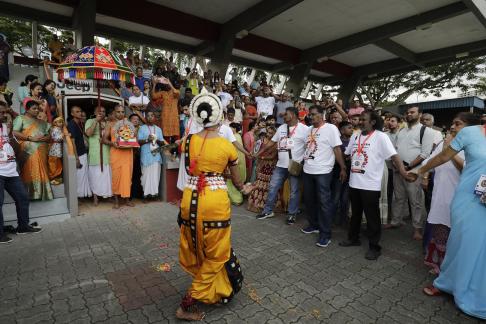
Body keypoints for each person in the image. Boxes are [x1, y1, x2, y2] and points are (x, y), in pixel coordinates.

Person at [176, 88, 244, 321]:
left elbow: (190, 167)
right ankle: (189, 302)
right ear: (220, 116)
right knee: (217, 253)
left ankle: (213, 289)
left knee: (197, 246)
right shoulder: (227, 146)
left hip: (189, 198)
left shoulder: (187, 141)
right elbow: (237, 180)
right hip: (213, 202)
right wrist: (245, 188)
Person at [410, 117, 486, 320]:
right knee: (461, 242)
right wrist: (422, 170)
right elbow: (444, 156)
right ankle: (446, 284)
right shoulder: (470, 133)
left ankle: (478, 290)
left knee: (482, 247)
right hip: (468, 198)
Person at [339, 111, 409, 260]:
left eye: (364, 119)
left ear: (372, 122)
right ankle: (353, 238)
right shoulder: (355, 135)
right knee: (356, 213)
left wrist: (402, 172)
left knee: (372, 217)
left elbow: (394, 155)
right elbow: (347, 153)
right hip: (354, 182)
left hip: (370, 184)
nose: (360, 122)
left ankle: (374, 247)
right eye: (360, 119)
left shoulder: (381, 137)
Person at [423, 113, 471, 274]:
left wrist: (450, 151)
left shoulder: (474, 146)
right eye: (452, 123)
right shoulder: (445, 142)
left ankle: (452, 271)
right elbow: (429, 161)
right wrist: (419, 173)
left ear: (469, 128)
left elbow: (467, 169)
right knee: (440, 233)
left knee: (456, 238)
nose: (452, 127)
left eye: (457, 124)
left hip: (460, 201)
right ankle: (439, 266)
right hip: (439, 197)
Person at [385, 106, 434, 240]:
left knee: (415, 201)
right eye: (407, 112)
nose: (409, 114)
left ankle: (417, 228)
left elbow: (424, 154)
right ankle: (396, 221)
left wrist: (408, 167)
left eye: (412, 112)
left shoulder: (426, 131)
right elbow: (396, 150)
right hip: (398, 170)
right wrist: (397, 165)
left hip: (413, 171)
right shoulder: (402, 131)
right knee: (398, 197)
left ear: (420, 114)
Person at [300, 105, 346, 247]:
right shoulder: (309, 129)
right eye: (310, 114)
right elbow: (306, 147)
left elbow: (337, 149)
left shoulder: (331, 128)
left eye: (314, 114)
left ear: (322, 114)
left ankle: (325, 234)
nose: (311, 116)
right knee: (309, 200)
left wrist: (343, 167)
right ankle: (314, 225)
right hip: (307, 170)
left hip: (323, 172)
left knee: (324, 203)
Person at [255, 106, 308, 224]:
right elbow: (272, 143)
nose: (283, 117)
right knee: (273, 187)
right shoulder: (281, 128)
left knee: (294, 191)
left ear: (293, 115)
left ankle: (292, 214)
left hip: (294, 166)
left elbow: (308, 147)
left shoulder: (304, 129)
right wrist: (258, 153)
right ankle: (268, 210)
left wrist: (302, 162)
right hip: (281, 165)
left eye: (286, 114)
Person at [0, 103, 42, 244]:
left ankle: (23, 226)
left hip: (11, 170)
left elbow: (15, 148)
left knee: (23, 197)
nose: (4, 115)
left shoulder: (6, 127)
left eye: (5, 112)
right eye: (1, 112)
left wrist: (11, 135)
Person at [12, 101, 53, 200]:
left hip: (42, 149)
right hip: (27, 150)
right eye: (34, 108)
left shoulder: (42, 123)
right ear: (27, 109)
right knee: (30, 169)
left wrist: (44, 138)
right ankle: (30, 193)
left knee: (42, 169)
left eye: (38, 109)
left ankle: (43, 193)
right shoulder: (20, 118)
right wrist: (30, 138)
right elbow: (15, 132)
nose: (36, 111)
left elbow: (49, 136)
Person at [102, 104, 135, 209]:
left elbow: (134, 138)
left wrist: (133, 141)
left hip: (127, 154)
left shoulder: (129, 124)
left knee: (127, 177)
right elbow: (104, 140)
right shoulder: (110, 124)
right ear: (114, 113)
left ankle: (126, 199)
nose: (120, 114)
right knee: (116, 178)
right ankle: (116, 201)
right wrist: (112, 143)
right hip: (116, 153)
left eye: (122, 112)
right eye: (118, 112)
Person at [247, 126, 282, 213]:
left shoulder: (276, 143)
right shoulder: (263, 140)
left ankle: (267, 206)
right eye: (267, 132)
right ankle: (257, 204)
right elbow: (257, 150)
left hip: (270, 166)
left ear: (275, 134)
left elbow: (272, 156)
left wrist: (260, 157)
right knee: (259, 183)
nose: (268, 134)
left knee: (269, 185)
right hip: (262, 165)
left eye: (271, 133)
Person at [85, 106, 112, 205]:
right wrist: (96, 121)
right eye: (99, 111)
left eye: (104, 111)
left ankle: (107, 195)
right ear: (95, 112)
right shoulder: (90, 121)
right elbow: (88, 133)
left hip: (107, 153)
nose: (102, 113)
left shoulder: (108, 123)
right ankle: (95, 197)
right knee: (95, 176)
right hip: (95, 154)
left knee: (107, 176)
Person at [137, 111, 166, 200]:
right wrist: (147, 140)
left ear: (155, 118)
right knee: (145, 176)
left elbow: (162, 143)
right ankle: (145, 196)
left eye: (152, 115)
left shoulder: (158, 129)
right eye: (148, 116)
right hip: (146, 156)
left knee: (155, 175)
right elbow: (138, 141)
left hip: (156, 155)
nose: (150, 117)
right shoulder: (142, 128)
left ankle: (154, 195)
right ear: (145, 118)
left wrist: (156, 140)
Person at [67, 106, 91, 199]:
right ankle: (77, 197)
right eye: (77, 112)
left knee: (84, 175)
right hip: (78, 154)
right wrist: (76, 158)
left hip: (83, 151)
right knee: (79, 176)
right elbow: (72, 142)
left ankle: (82, 196)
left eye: (80, 111)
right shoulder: (71, 124)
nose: (80, 113)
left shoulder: (80, 123)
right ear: (72, 114)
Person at [153, 77, 180, 142]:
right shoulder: (163, 92)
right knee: (166, 135)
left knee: (176, 135)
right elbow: (154, 96)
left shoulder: (176, 91)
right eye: (165, 84)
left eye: (167, 84)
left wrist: (169, 83)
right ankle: (166, 150)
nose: (166, 85)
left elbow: (176, 92)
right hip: (165, 116)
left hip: (174, 116)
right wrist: (154, 84)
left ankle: (176, 151)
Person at [226, 123, 247, 206]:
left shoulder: (234, 137)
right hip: (239, 162)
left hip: (234, 162)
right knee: (237, 180)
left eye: (230, 127)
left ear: (234, 129)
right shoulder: (238, 136)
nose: (229, 129)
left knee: (232, 182)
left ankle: (236, 199)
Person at [129, 114, 143, 200]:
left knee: (137, 175)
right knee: (130, 175)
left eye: (137, 119)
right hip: (129, 154)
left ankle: (137, 194)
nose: (136, 120)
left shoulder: (141, 129)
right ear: (130, 120)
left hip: (138, 154)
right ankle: (129, 195)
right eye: (133, 119)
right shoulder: (127, 129)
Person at [48, 117, 64, 185]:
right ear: (55, 123)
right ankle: (53, 177)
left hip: (57, 147)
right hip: (55, 147)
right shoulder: (55, 129)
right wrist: (64, 135)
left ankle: (56, 177)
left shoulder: (59, 129)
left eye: (62, 122)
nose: (61, 123)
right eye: (59, 122)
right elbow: (56, 138)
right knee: (53, 163)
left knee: (57, 163)